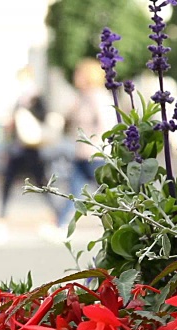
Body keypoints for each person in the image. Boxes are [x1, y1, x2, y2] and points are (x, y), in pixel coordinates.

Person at [0, 66, 60, 245]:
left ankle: (57, 216)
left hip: (30, 149)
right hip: (16, 149)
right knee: (7, 184)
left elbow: (43, 117)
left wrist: (30, 107)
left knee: (42, 184)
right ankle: (1, 221)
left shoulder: (36, 97)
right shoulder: (18, 100)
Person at [56, 58, 112, 227]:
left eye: (78, 73)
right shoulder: (83, 97)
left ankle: (121, 222)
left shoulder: (98, 97)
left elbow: (106, 125)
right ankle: (60, 225)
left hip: (96, 155)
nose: (75, 77)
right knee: (74, 190)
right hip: (82, 154)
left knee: (108, 194)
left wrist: (96, 146)